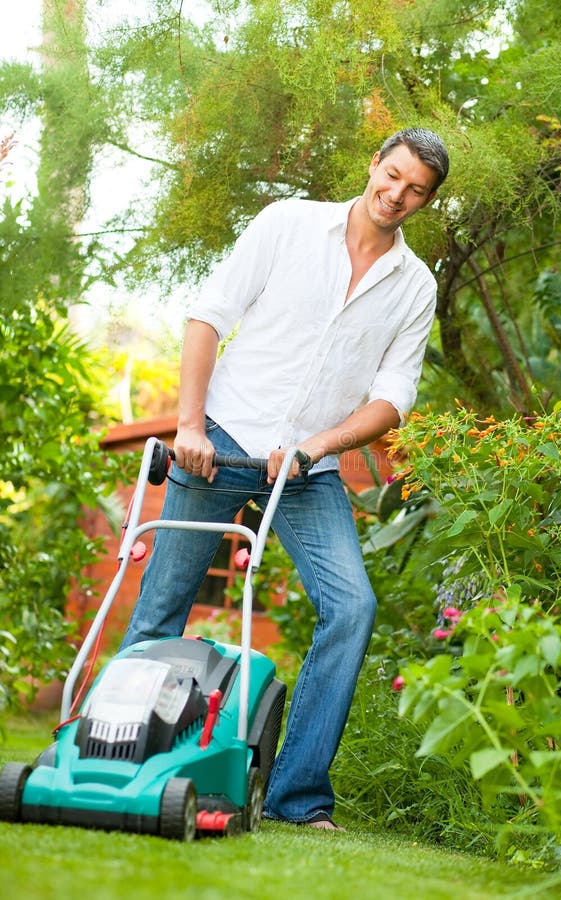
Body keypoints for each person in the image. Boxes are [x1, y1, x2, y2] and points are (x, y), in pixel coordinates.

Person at [121, 127, 449, 830]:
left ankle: (297, 797)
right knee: (160, 608)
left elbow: (394, 395)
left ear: (426, 200)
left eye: (414, 189)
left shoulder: (415, 286)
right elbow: (209, 317)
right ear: (374, 164)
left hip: (307, 469)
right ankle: (118, 758)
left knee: (353, 606)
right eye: (391, 175)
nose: (395, 194)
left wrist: (313, 448)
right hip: (223, 440)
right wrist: (189, 427)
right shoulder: (289, 223)